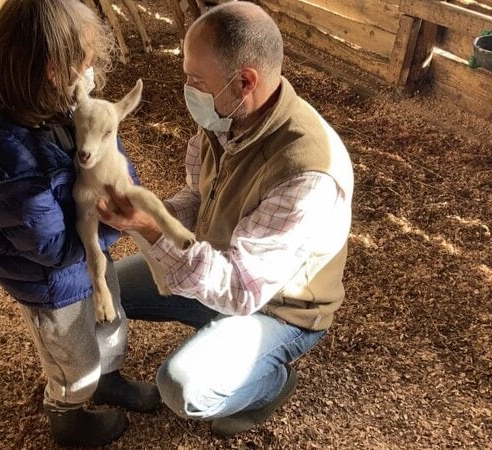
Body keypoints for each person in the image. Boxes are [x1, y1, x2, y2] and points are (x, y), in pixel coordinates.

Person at [97, 1, 354, 438]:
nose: (187, 90)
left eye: (196, 81)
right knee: (108, 286)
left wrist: (151, 229)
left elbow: (241, 291)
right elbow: (198, 196)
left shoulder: (306, 172)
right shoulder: (225, 116)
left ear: (245, 82)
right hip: (218, 263)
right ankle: (219, 335)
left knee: (182, 388)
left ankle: (272, 380)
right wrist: (153, 211)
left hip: (277, 307)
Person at [0, 0, 160, 446]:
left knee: (110, 318)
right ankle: (68, 410)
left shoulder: (56, 106)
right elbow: (49, 246)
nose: (90, 71)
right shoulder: (11, 158)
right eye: (85, 63)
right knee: (72, 354)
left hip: (89, 252)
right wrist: (114, 225)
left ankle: (108, 377)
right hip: (51, 282)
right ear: (54, 72)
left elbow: (109, 159)